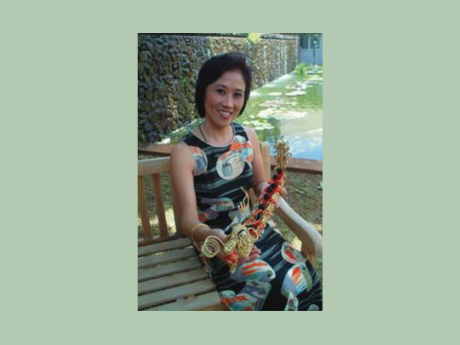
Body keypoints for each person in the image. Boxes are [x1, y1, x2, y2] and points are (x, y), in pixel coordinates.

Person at [170, 52, 322, 311]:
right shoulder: (185, 152)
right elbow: (187, 221)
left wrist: (269, 191)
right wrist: (215, 239)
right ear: (203, 91)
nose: (228, 103)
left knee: (306, 278)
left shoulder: (247, 135)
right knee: (273, 285)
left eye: (237, 94)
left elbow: (260, 184)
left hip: (255, 230)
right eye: (220, 91)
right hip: (218, 242)